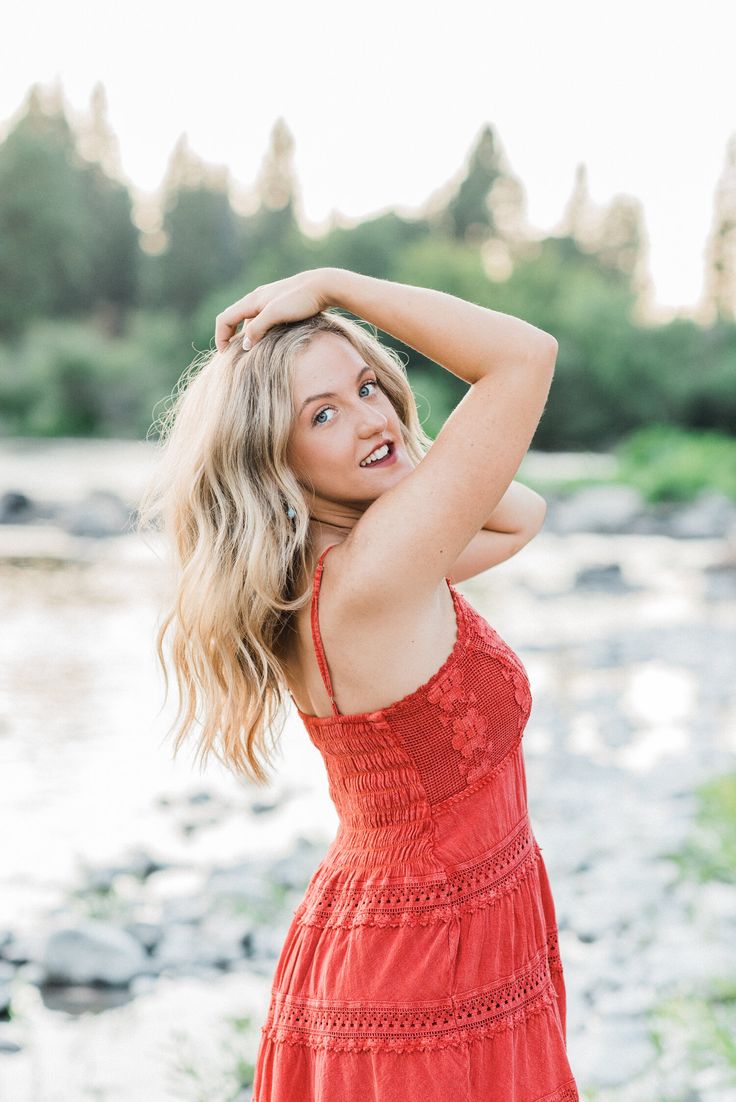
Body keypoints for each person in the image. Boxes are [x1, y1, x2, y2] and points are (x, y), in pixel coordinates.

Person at [139, 268, 578, 1100]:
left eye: (369, 386)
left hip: (386, 945)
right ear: (276, 457)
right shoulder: (379, 572)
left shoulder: (315, 574)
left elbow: (519, 515)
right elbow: (525, 356)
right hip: (427, 972)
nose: (371, 416)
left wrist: (388, 451)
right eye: (323, 415)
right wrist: (335, 285)